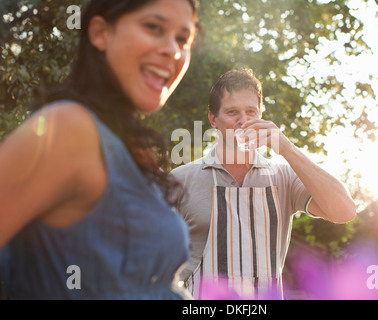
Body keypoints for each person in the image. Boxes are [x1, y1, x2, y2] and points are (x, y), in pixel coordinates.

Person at [0, 0, 199, 300]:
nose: (173, 50)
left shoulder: (130, 148)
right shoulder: (69, 128)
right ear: (100, 33)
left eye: (182, 39)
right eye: (153, 27)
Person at [170, 68, 357, 299]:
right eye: (232, 112)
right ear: (213, 120)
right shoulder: (179, 180)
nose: (243, 121)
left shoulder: (284, 177)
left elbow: (344, 211)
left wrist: (286, 148)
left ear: (261, 115)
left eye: (251, 112)